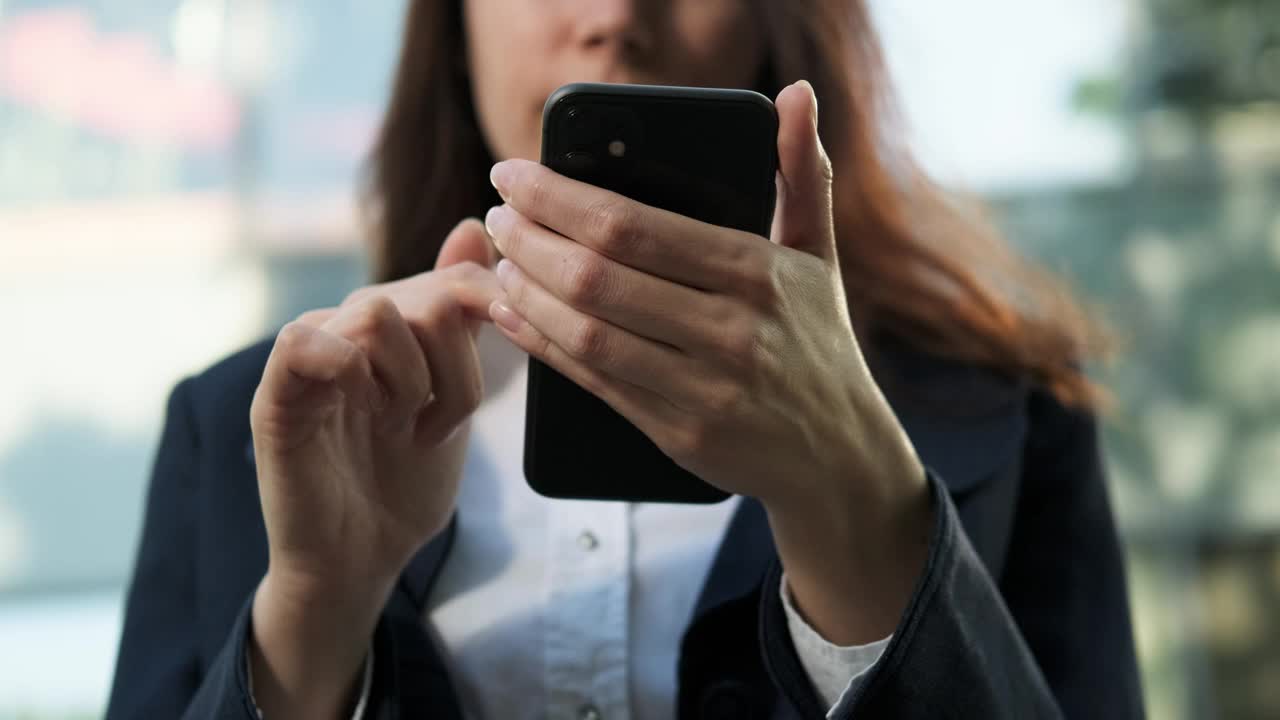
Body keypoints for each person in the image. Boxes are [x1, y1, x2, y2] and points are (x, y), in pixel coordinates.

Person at [106, 1, 1145, 718]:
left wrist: (860, 503)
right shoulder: (256, 420)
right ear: (452, 26)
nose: (613, 14)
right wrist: (314, 614)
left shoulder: (1008, 411)